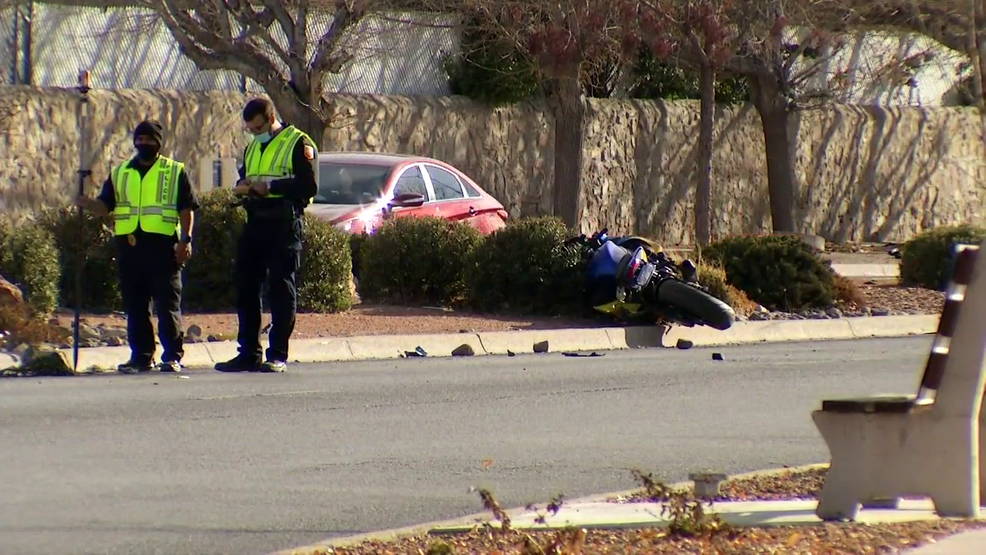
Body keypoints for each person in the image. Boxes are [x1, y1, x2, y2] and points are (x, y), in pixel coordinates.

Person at [75, 120, 198, 374]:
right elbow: (104, 206)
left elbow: (186, 208)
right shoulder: (121, 172)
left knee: (167, 305)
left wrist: (186, 239)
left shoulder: (173, 171)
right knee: (136, 305)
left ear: (158, 143)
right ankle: (141, 356)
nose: (143, 144)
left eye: (148, 140)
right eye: (139, 140)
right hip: (131, 248)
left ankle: (172, 355)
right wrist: (86, 203)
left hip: (164, 247)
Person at [214, 98, 319, 374]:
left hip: (283, 223)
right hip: (255, 222)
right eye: (250, 129)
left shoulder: (298, 142)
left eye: (258, 126)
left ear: (271, 117)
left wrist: (269, 186)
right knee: (246, 287)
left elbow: (308, 185)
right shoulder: (253, 147)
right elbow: (245, 176)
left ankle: (277, 355)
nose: (254, 132)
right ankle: (249, 353)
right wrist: (243, 185)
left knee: (281, 289)